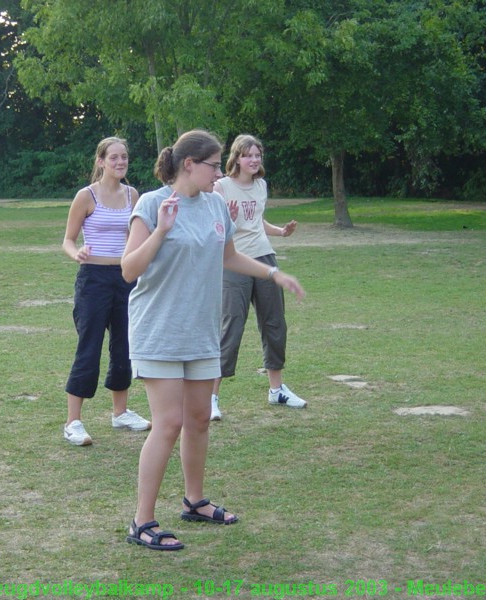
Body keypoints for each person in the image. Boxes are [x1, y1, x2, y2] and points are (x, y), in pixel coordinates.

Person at [121, 130, 305, 550]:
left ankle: (194, 501)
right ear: (190, 164)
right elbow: (128, 269)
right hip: (160, 331)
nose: (219, 172)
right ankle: (142, 521)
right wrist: (161, 231)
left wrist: (274, 273)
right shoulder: (151, 204)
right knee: (168, 424)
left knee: (199, 420)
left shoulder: (216, 205)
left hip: (201, 331)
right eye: (213, 164)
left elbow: (229, 257)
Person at [61, 137, 151, 445]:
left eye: (124, 157)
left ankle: (120, 412)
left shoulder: (132, 195)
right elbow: (68, 240)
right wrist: (78, 254)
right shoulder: (86, 196)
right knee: (90, 345)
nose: (120, 162)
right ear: (101, 161)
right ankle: (73, 421)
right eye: (113, 158)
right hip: (93, 279)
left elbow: (136, 237)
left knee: (125, 345)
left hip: (125, 278)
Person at [210, 134, 306, 421]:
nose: (254, 160)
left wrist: (280, 232)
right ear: (236, 158)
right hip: (234, 262)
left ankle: (276, 390)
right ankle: (211, 398)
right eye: (248, 155)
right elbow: (213, 225)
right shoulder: (220, 187)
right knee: (231, 327)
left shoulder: (261, 185)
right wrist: (227, 217)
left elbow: (257, 222)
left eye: (258, 155)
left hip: (264, 257)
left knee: (274, 323)